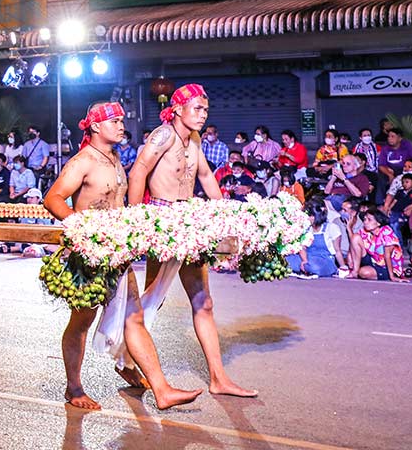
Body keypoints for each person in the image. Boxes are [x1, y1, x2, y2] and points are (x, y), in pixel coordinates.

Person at [45, 101, 201, 411]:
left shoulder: (114, 158)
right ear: (95, 127)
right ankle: (74, 387)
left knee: (134, 317)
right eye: (114, 121)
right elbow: (53, 198)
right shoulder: (83, 161)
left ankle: (162, 389)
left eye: (121, 121)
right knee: (82, 321)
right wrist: (81, 228)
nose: (121, 126)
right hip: (88, 257)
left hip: (117, 255)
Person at [128, 84, 256, 399]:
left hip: (189, 221)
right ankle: (128, 360)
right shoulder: (163, 135)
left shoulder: (194, 139)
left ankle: (219, 379)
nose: (202, 115)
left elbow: (206, 177)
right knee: (150, 299)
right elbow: (138, 172)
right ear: (177, 110)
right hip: (163, 221)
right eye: (197, 109)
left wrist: (227, 215)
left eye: (205, 110)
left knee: (204, 302)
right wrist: (133, 220)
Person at [346, 209, 407, 282]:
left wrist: (392, 277)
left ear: (378, 223)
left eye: (369, 220)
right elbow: (354, 242)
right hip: (373, 261)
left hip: (387, 266)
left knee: (363, 272)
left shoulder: (386, 232)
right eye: (365, 219)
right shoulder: (365, 231)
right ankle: (355, 272)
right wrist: (349, 257)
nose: (365, 222)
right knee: (355, 237)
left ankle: (383, 274)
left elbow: (387, 256)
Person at [287, 204, 339, 278]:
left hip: (325, 259)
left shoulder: (331, 228)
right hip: (308, 256)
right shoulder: (306, 228)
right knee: (287, 261)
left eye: (309, 216)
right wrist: (304, 260)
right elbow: (302, 247)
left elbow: (337, 251)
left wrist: (343, 266)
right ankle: (305, 269)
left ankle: (308, 270)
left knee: (314, 267)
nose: (307, 218)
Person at [384, 173, 412, 248]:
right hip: (395, 212)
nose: (404, 184)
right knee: (389, 224)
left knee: (395, 225)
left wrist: (409, 208)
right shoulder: (400, 192)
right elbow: (394, 201)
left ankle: (399, 244)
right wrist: (389, 209)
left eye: (407, 182)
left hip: (403, 214)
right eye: (403, 182)